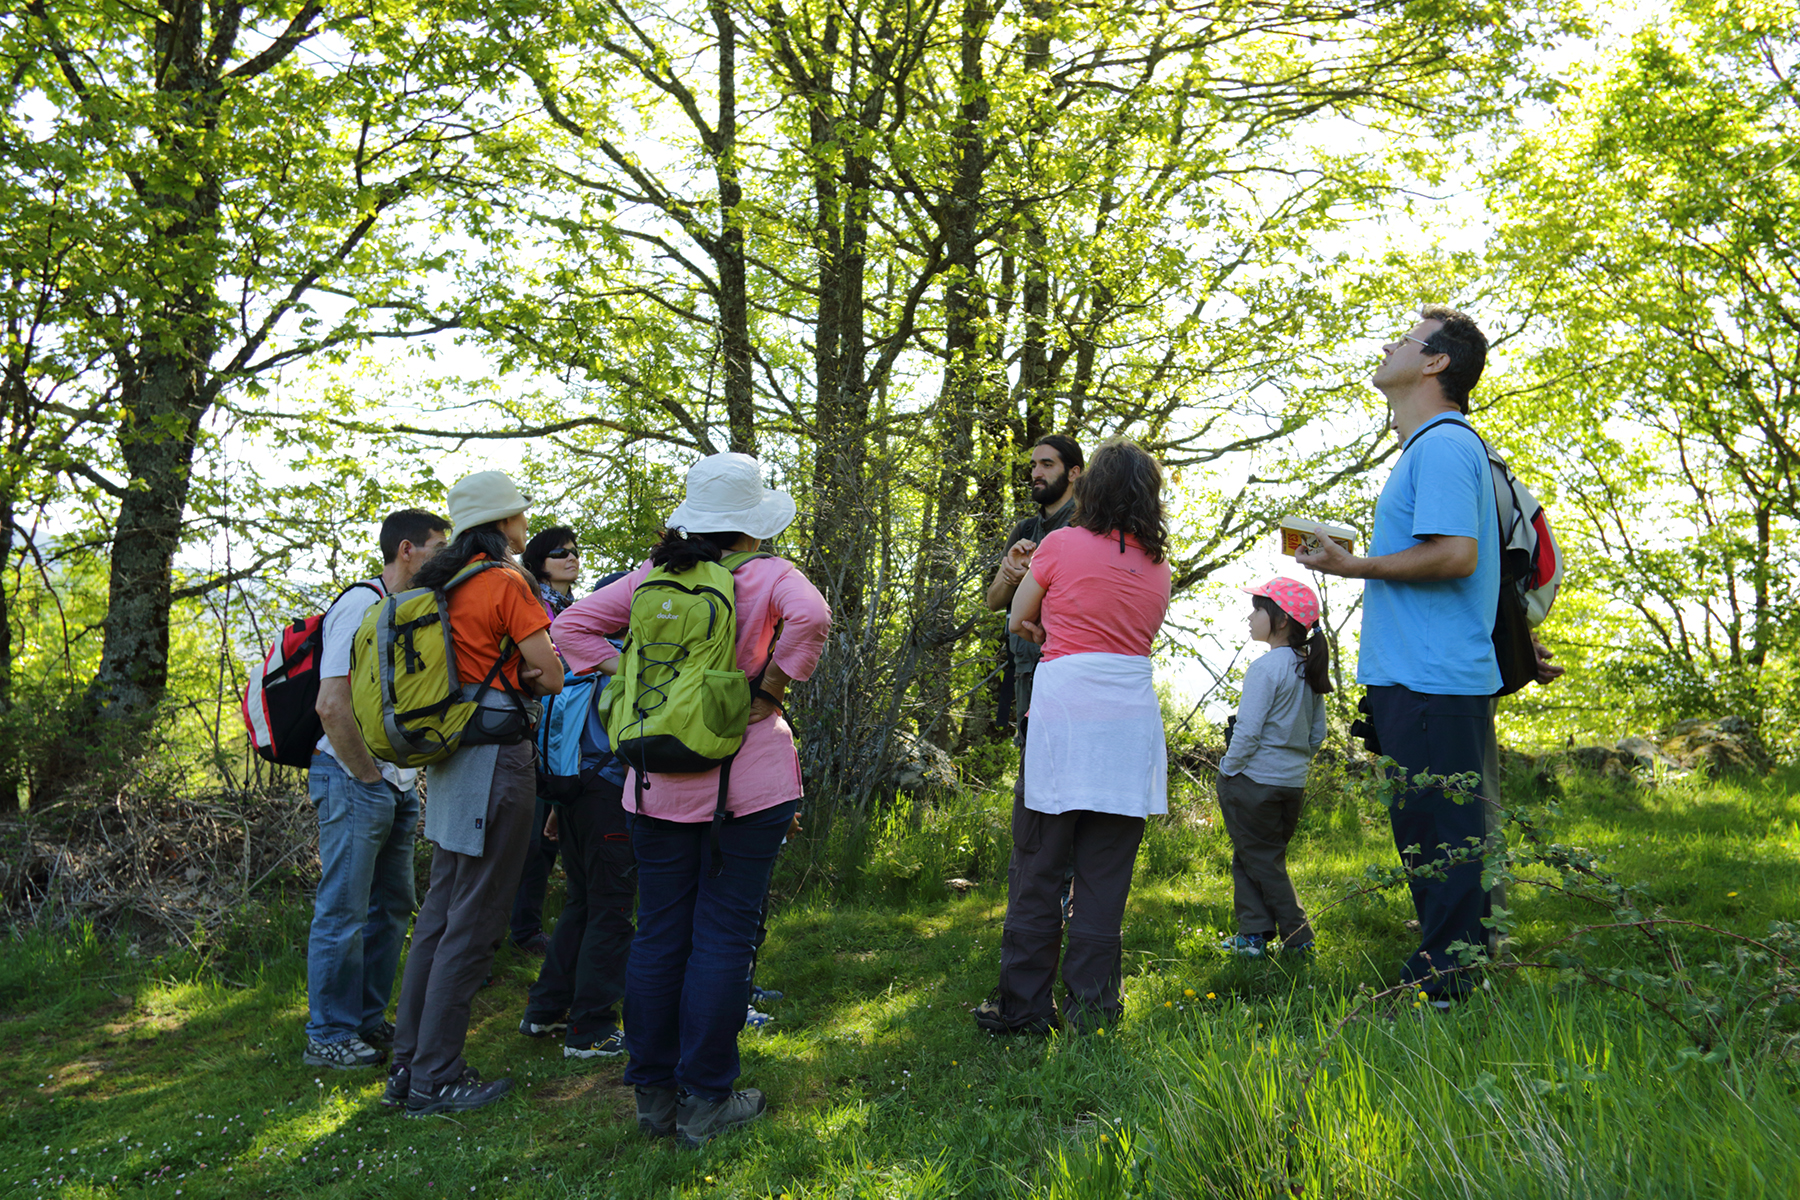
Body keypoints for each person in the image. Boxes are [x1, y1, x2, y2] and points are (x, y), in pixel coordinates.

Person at [555, 452, 831, 1148]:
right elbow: (813, 618)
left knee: (658, 932)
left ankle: (653, 1098)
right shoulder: (771, 575)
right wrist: (767, 690)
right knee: (725, 936)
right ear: (750, 526)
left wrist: (641, 676)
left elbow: (570, 629)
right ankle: (707, 1099)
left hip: (653, 784)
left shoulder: (655, 577)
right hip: (749, 780)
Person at [1297, 306, 1501, 1004]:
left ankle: (1447, 985)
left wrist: (1353, 568)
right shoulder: (1430, 449)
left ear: (1437, 363)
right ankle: (1452, 970)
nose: (1387, 345)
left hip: (1434, 676)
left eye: (1406, 341)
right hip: (1418, 675)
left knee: (1443, 833)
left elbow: (1454, 555)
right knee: (1428, 830)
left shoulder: (1444, 444)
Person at [975, 437, 1172, 1036]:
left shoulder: (1060, 544)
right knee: (1104, 876)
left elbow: (1016, 616)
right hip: (1130, 719)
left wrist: (1043, 626)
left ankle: (1024, 1011)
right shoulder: (1159, 565)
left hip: (1064, 714)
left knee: (1039, 865)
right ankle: (1094, 1012)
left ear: (1091, 488)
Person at [383, 470, 565, 1115]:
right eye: (520, 515)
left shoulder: (440, 583)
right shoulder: (505, 582)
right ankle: (438, 1076)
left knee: (439, 914)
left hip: (451, 757)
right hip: (497, 762)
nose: (525, 524)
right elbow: (549, 671)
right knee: (477, 919)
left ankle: (409, 1065)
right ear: (504, 523)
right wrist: (543, 676)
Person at [304, 508, 449, 1069]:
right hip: (351, 777)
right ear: (407, 550)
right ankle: (329, 1033)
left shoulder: (412, 609)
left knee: (392, 907)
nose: (446, 555)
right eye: (439, 547)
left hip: (396, 783)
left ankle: (365, 1021)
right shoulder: (360, 604)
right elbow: (330, 704)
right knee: (344, 910)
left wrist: (400, 782)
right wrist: (369, 776)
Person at [519, 569, 636, 1060]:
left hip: (568, 794)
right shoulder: (617, 659)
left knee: (581, 903)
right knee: (610, 909)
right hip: (607, 795)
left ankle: (545, 1011)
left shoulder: (573, 652)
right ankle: (591, 1028)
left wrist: (558, 806)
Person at [1215, 577, 1331, 958]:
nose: (1250, 617)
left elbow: (1247, 731)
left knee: (1261, 859)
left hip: (1254, 782)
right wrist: (1293, 762)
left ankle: (1300, 938)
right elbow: (1317, 734)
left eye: (1257, 609)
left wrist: (1229, 768)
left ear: (1280, 620)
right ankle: (1253, 936)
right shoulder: (1306, 667)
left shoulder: (1266, 669)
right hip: (1290, 785)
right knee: (1253, 853)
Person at [507, 525, 585, 957]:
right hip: (529, 728)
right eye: (560, 552)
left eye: (575, 551)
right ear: (538, 561)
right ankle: (511, 930)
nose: (571, 558)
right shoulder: (530, 603)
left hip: (563, 733)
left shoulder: (576, 608)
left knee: (549, 835)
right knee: (528, 838)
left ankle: (528, 927)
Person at [984, 436, 1084, 739]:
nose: (1036, 473)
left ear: (1073, 472)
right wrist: (1011, 576)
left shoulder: (1087, 527)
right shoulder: (1024, 530)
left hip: (1073, 667)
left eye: (1047, 464)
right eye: (1033, 466)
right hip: (1027, 669)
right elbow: (993, 601)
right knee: (1031, 763)